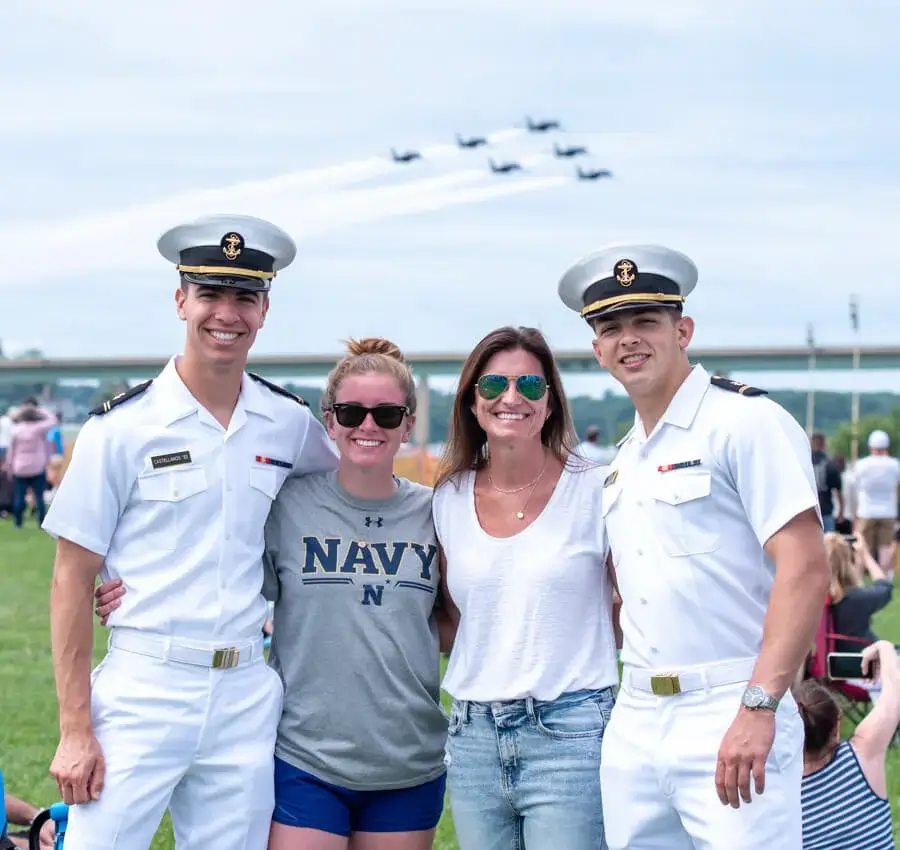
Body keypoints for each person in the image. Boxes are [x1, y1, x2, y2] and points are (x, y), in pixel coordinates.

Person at [41, 214, 338, 850]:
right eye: (210, 294)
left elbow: (338, 508)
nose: (225, 314)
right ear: (181, 300)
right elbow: (71, 580)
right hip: (143, 686)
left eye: (244, 298)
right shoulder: (120, 429)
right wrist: (74, 728)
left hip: (245, 692)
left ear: (264, 311)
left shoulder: (287, 425)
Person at [94, 337, 453, 850]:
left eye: (387, 415)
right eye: (351, 413)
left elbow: (458, 617)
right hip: (305, 754)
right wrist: (121, 586)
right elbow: (209, 559)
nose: (368, 427)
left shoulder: (438, 513)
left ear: (409, 423)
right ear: (328, 421)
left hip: (408, 757)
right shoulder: (287, 505)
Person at [558, 245, 830, 849]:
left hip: (730, 704)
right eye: (611, 328)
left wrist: (760, 705)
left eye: (645, 322)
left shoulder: (744, 422)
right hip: (636, 713)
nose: (629, 339)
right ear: (598, 350)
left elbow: (806, 567)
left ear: (682, 330)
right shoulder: (624, 460)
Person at [433, 326, 620, 850]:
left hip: (572, 733)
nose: (511, 398)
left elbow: (637, 610)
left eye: (530, 387)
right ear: (472, 402)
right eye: (493, 385)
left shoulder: (599, 489)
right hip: (472, 737)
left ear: (551, 404)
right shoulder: (447, 497)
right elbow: (452, 621)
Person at [797, 640, 899, 849]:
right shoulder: (863, 755)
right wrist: (884, 648)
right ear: (837, 727)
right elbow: (895, 691)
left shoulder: (778, 791)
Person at [826, 532, 893, 653]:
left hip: (826, 659)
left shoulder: (813, 598)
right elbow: (885, 587)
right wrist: (865, 555)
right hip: (861, 658)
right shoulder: (857, 598)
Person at [850, 429, 900, 571]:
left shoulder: (862, 464)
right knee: (885, 548)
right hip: (888, 512)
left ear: (871, 446)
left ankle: (858, 578)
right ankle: (884, 578)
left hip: (866, 511)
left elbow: (854, 487)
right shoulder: (894, 465)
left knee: (861, 547)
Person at [6, 401, 57, 528]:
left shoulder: (16, 430)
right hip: (38, 466)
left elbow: (11, 450)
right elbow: (53, 420)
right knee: (39, 497)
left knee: (19, 496)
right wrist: (40, 409)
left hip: (19, 467)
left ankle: (18, 522)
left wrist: (9, 466)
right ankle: (41, 522)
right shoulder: (39, 428)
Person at [810, 433, 844, 533]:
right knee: (829, 545)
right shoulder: (831, 464)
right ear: (824, 445)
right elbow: (839, 491)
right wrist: (841, 511)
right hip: (826, 511)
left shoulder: (804, 462)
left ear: (811, 443)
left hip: (808, 512)